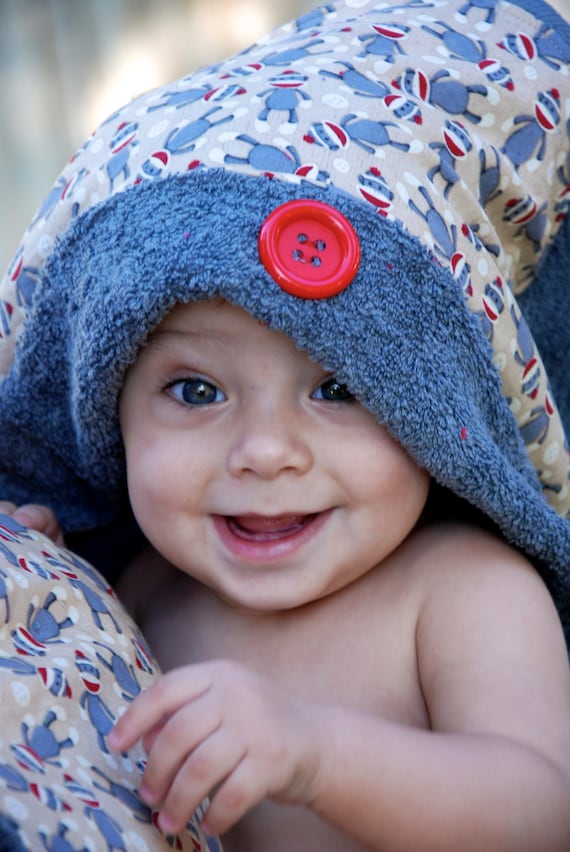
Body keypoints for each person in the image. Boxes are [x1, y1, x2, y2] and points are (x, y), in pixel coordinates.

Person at [1, 0, 569, 848]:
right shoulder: (139, 586)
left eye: (339, 389)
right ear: (107, 412)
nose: (265, 453)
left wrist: (319, 755)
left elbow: (539, 812)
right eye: (195, 392)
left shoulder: (458, 593)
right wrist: (43, 572)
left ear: (435, 404)